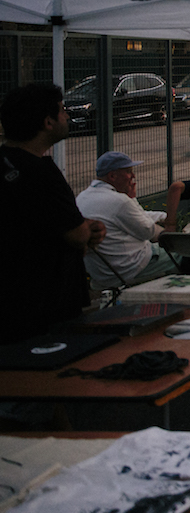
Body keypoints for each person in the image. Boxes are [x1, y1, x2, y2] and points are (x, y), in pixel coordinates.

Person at [0, 83, 105, 344]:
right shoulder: (41, 173)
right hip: (47, 301)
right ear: (47, 122)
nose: (67, 116)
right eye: (62, 110)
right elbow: (77, 234)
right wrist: (86, 229)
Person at [77, 151, 175, 289]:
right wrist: (172, 229)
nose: (133, 176)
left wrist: (161, 216)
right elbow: (150, 232)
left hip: (101, 272)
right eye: (128, 171)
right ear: (112, 175)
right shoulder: (119, 202)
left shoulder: (82, 197)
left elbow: (134, 217)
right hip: (130, 267)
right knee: (184, 254)